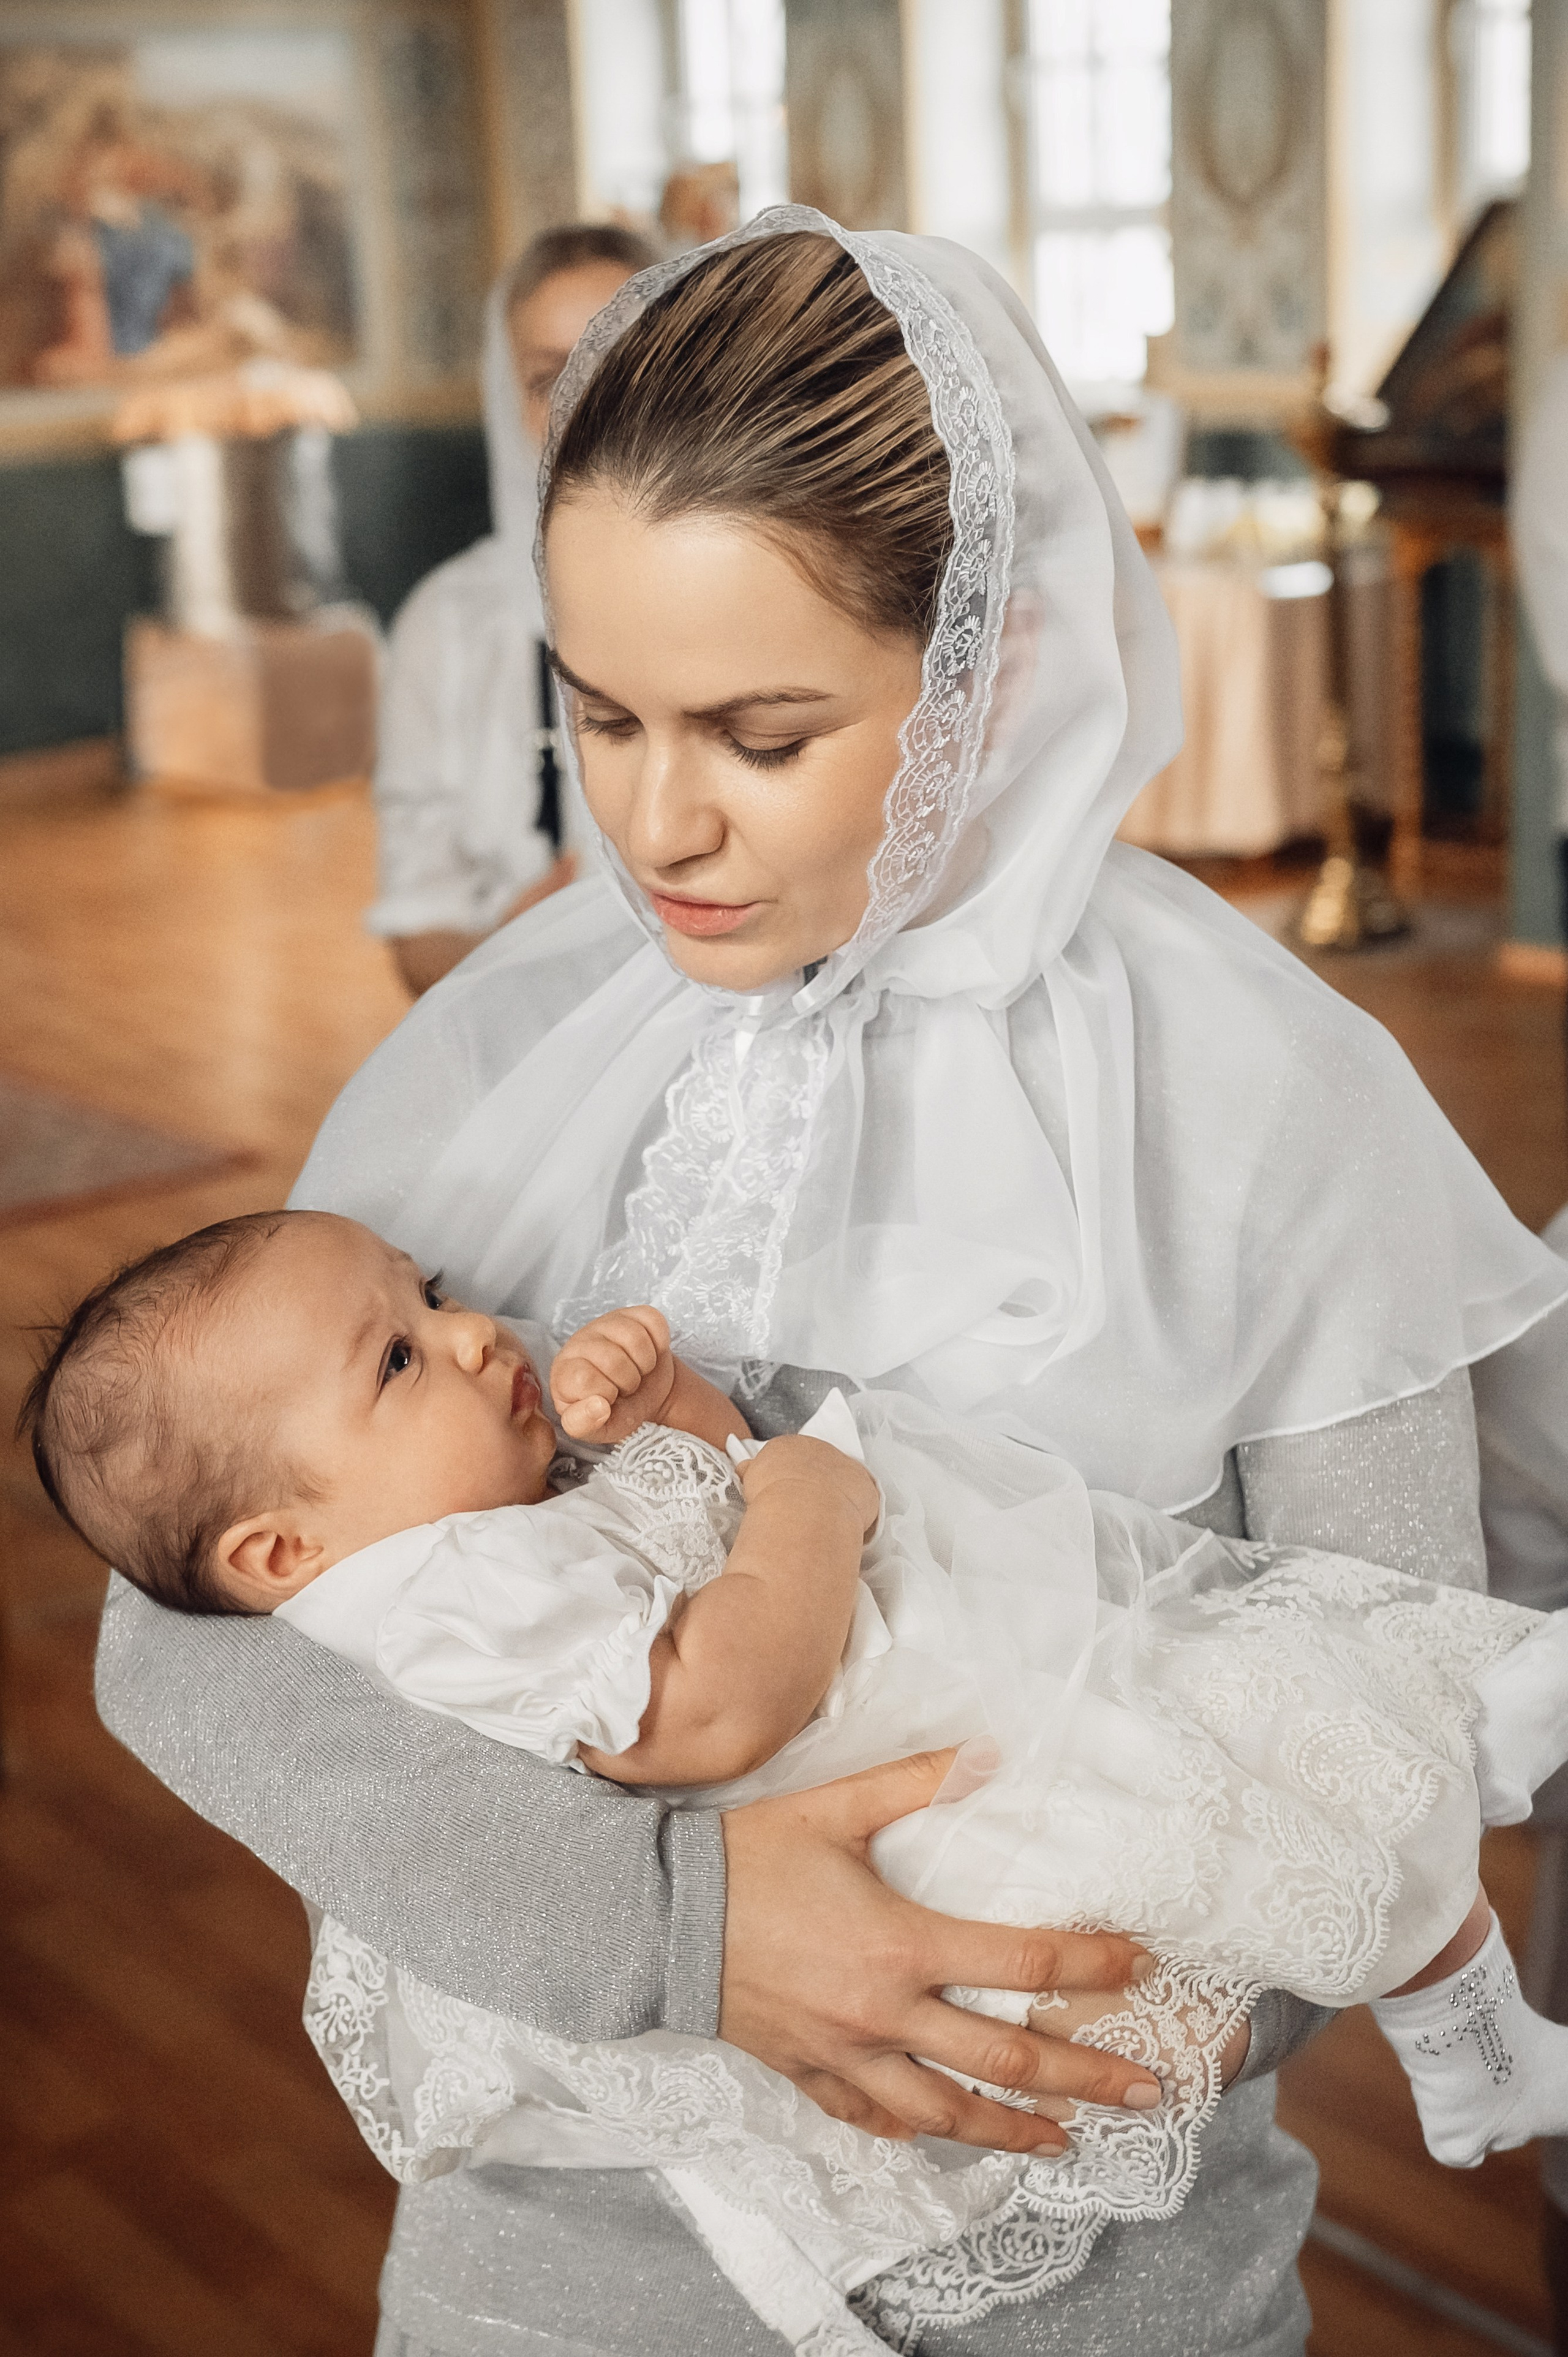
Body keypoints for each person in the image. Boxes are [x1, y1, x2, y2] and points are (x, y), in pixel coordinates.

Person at [91, 214, 1568, 2357]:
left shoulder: (1270, 1098)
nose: (657, 823)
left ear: (998, 663)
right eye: (597, 715)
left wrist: (961, 1992)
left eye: (761, 732)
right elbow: (193, 1639)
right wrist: (681, 1933)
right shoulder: (513, 1044)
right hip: (554, 2279)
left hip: (1093, 2269)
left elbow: (1381, 1731)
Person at [30, 1201, 1568, 2342]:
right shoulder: (444, 1590)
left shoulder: (458, 1511)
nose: (474, 1328)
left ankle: (1453, 1897)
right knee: (1204, 1791)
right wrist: (812, 1487)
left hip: (932, 1766)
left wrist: (685, 1415)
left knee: (1224, 1742)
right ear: (280, 1553)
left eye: (427, 1295)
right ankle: (1443, 1814)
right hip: (892, 1838)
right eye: (398, 1353)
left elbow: (680, 1512)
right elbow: (711, 1704)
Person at [368, 224, 657, 997]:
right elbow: (416, 938)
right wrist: (507, 952)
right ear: (511, 402)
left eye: (620, 355)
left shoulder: (774, 600)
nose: (586, 400)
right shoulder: (446, 626)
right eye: (547, 376)